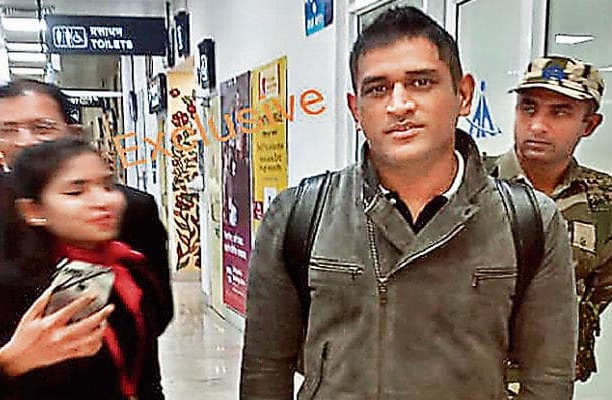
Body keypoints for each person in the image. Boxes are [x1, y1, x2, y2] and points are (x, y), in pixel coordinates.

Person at [240, 7, 576, 399]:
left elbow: (548, 379)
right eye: (377, 89)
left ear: (464, 95)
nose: (399, 105)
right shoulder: (301, 215)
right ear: (356, 109)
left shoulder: (526, 222)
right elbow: (265, 369)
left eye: (420, 82)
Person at [0, 79, 172, 397]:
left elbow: (153, 315)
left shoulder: (131, 222)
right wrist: (11, 359)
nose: (25, 141)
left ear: (72, 132)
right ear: (32, 210)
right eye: (9, 130)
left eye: (41, 127)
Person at [486, 56, 611, 383]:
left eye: (560, 112)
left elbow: (596, 293)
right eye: (528, 108)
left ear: (589, 125)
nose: (538, 125)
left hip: (546, 381)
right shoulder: (471, 183)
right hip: (466, 377)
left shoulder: (604, 202)